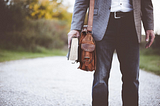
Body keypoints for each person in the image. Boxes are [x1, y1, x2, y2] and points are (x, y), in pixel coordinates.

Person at [68, 0, 155, 106]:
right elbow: (81, 2)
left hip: (131, 24)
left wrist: (149, 26)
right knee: (100, 78)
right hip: (103, 24)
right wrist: (75, 28)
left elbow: (146, 3)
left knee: (132, 78)